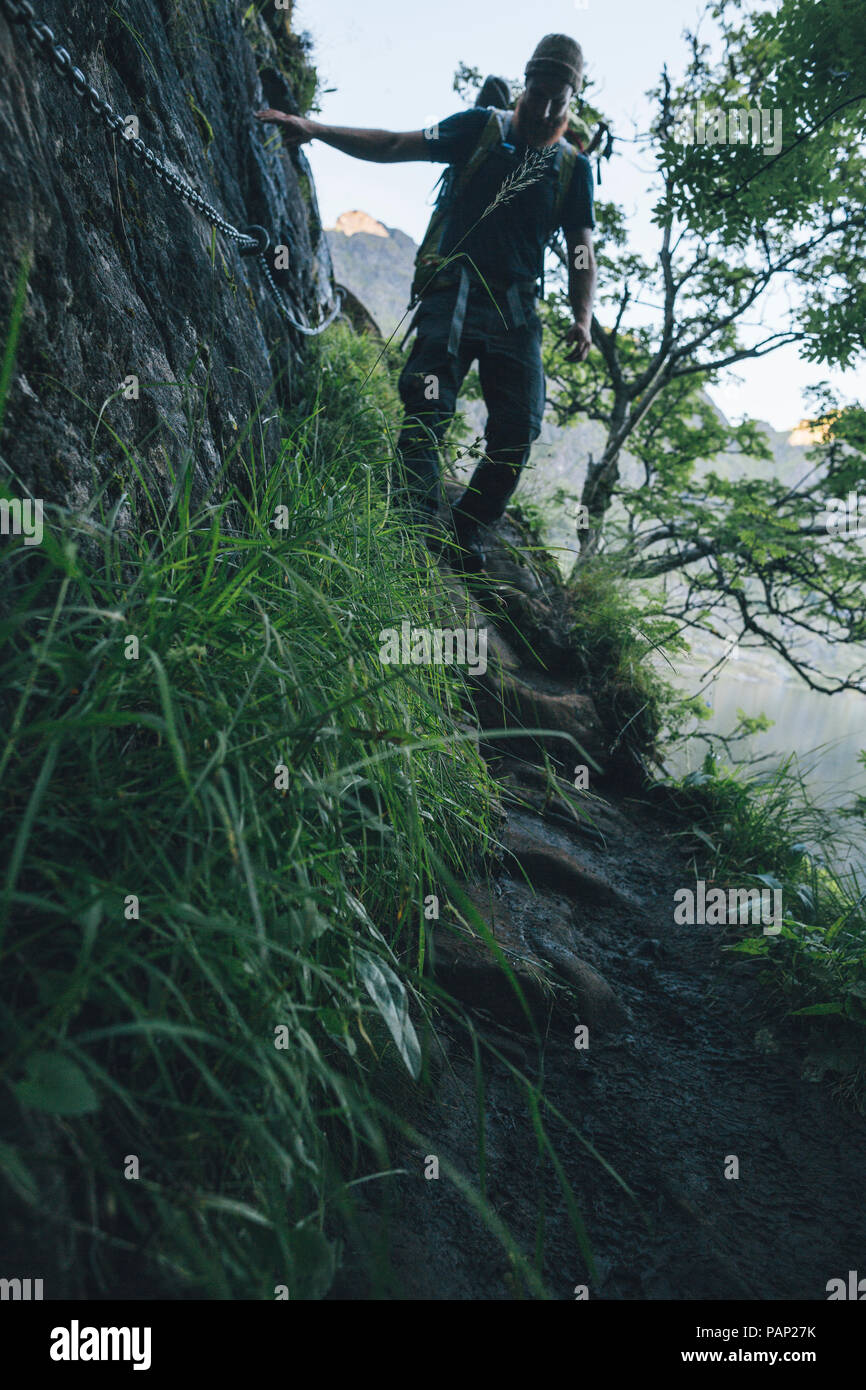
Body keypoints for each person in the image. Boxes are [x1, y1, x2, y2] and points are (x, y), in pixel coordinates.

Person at [256, 34, 596, 573]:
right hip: (454, 289)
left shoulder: (574, 169)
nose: (548, 109)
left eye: (561, 100)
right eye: (540, 93)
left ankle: (466, 530)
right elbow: (394, 144)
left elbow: (581, 249)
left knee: (519, 427)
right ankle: (410, 532)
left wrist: (582, 317)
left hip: (517, 310)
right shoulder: (479, 128)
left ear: (572, 101)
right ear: (525, 84)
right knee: (429, 405)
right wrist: (316, 130)